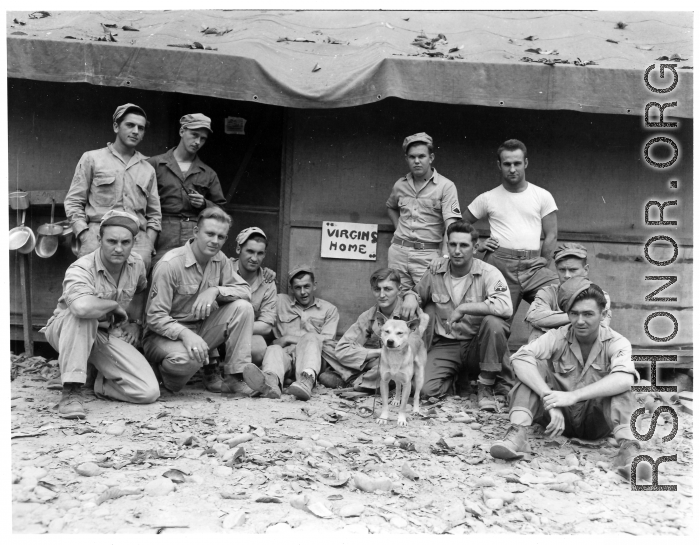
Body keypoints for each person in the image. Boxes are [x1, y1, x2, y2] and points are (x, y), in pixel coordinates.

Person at [490, 277, 650, 481]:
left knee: (620, 386)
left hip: (596, 421)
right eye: (574, 314)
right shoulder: (558, 336)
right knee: (532, 368)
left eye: (588, 314)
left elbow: (625, 379)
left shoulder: (616, 342)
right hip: (556, 420)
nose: (580, 321)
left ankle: (629, 451)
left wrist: (573, 396)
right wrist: (548, 397)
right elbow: (520, 358)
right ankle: (517, 435)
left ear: (603, 315)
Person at [43, 210, 160, 419]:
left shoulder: (136, 265)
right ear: (99, 239)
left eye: (125, 242)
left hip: (104, 333)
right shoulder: (81, 267)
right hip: (66, 330)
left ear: (133, 242)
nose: (118, 248)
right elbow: (81, 308)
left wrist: (135, 321)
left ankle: (96, 379)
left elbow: (141, 290)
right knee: (83, 317)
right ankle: (71, 392)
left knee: (147, 391)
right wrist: (112, 304)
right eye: (112, 241)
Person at [401, 221, 513, 411]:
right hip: (447, 344)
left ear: (475, 247)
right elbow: (418, 292)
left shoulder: (488, 272)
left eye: (464, 245)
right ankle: (456, 379)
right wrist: (411, 296)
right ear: (447, 246)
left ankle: (485, 386)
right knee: (425, 390)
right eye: (452, 245)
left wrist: (464, 308)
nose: (457, 251)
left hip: (477, 345)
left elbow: (505, 307)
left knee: (495, 323)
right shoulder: (436, 271)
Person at [143, 207, 255, 395]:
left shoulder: (220, 260)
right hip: (162, 336)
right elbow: (154, 317)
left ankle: (235, 377)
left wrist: (215, 290)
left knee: (243, 308)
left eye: (221, 237)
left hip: (200, 330)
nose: (214, 241)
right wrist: (186, 335)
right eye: (209, 234)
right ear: (196, 232)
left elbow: (245, 291)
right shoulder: (170, 264)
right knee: (190, 357)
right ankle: (162, 376)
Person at [463, 139, 558, 322]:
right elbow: (460, 225)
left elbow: (552, 234)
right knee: (495, 323)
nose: (512, 169)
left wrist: (545, 262)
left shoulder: (542, 196)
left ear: (526, 163)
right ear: (499, 165)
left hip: (534, 267)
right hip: (500, 265)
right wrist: (478, 245)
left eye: (517, 163)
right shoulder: (488, 198)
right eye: (507, 164)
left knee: (564, 301)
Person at [64, 103, 161, 271]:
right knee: (90, 290)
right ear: (116, 126)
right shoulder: (92, 159)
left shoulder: (148, 169)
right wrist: (84, 235)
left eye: (141, 128)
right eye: (130, 125)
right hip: (98, 236)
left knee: (132, 292)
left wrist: (148, 242)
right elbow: (73, 201)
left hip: (136, 241)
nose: (136, 131)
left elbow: (154, 214)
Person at [240, 265, 339, 401]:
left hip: (312, 358)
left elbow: (327, 341)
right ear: (291, 288)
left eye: (307, 286)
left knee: (311, 338)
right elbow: (258, 299)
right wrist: (265, 275)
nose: (303, 292)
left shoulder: (329, 310)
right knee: (274, 348)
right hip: (284, 358)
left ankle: (306, 381)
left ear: (314, 285)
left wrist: (287, 338)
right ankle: (270, 383)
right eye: (298, 288)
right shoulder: (280, 301)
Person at [386, 132, 462, 293]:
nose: (417, 161)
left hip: (428, 255)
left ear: (431, 157)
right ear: (407, 159)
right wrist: (398, 227)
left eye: (422, 156)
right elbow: (391, 206)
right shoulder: (400, 185)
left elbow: (452, 224)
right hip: (398, 253)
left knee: (431, 300)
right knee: (397, 301)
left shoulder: (446, 186)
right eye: (412, 157)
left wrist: (445, 256)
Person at [147, 114, 227, 265]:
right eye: (194, 135)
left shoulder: (208, 173)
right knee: (158, 271)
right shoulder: (155, 164)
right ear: (182, 131)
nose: (197, 142)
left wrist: (204, 205)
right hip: (162, 232)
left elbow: (221, 211)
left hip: (194, 234)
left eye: (203, 139)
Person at [318, 268, 408, 391]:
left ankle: (356, 382)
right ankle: (360, 379)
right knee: (325, 345)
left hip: (395, 365)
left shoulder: (408, 312)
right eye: (377, 289)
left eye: (387, 289)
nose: (381, 295)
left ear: (399, 290)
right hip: (372, 361)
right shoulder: (369, 315)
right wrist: (377, 353)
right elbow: (342, 349)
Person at [526, 242, 612, 342]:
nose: (567, 275)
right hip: (553, 346)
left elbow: (598, 328)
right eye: (562, 270)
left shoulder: (600, 295)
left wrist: (552, 321)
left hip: (583, 347)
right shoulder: (547, 292)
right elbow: (535, 318)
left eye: (573, 270)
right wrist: (583, 316)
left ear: (586, 270)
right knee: (537, 333)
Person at [229, 227, 278, 364]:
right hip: (218, 331)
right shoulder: (223, 268)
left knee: (259, 348)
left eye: (259, 253)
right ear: (239, 249)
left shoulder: (268, 283)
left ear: (265, 254)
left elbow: (266, 326)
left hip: (244, 334)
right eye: (250, 251)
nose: (254, 258)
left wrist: (236, 328)